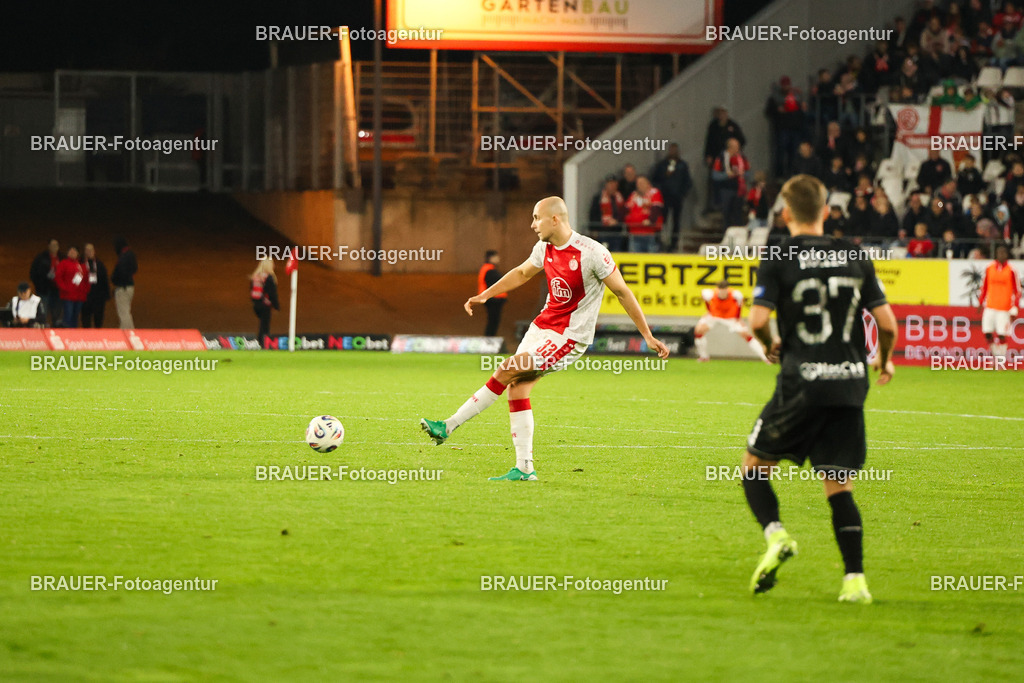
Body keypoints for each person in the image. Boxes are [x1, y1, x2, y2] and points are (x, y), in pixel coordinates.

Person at [418, 196, 669, 481]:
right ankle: (525, 468)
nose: (532, 224)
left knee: (508, 368)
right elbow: (523, 272)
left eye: (536, 217)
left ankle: (448, 426)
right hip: (541, 328)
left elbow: (623, 292)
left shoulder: (592, 252)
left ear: (555, 219)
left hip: (569, 337)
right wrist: (486, 295)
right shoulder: (544, 248)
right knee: (516, 388)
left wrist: (647, 335)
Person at [741, 173, 897, 604]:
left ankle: (777, 537)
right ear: (827, 211)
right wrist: (883, 359)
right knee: (838, 485)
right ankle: (855, 582)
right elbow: (886, 324)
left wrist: (772, 345)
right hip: (849, 385)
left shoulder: (779, 253)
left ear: (786, 214)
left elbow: (756, 321)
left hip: (801, 382)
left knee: (754, 466)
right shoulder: (855, 253)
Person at [693, 281, 769, 363]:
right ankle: (704, 356)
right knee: (698, 331)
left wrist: (738, 318)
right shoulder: (709, 294)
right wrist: (709, 311)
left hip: (730, 317)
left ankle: (765, 357)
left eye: (724, 291)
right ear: (718, 290)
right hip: (714, 315)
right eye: (721, 291)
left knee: (746, 335)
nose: (723, 293)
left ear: (727, 290)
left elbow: (740, 305)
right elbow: (706, 301)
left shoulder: (736, 294)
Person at [978, 243, 1021, 357]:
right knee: (987, 333)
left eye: (1003, 252)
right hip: (990, 306)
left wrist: (1015, 307)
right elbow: (984, 286)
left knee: (1002, 334)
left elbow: (1018, 290)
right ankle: (996, 354)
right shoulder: (989, 268)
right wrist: (980, 302)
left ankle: (1000, 360)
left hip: (1004, 308)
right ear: (996, 254)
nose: (1001, 255)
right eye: (999, 252)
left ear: (1007, 255)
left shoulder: (1011, 270)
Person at [650, 143, 692, 251]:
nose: (673, 152)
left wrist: (682, 193)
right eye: (671, 150)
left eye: (675, 150)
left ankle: (674, 243)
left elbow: (687, 181)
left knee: (676, 221)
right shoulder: (662, 165)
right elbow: (655, 180)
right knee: (662, 221)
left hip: (677, 198)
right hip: (664, 197)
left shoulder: (682, 165)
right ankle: (660, 241)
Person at [712, 138, 751, 227]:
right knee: (727, 216)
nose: (737, 149)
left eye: (738, 147)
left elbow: (748, 172)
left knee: (738, 215)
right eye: (735, 147)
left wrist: (742, 174)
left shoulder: (742, 157)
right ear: (730, 147)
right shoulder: (721, 158)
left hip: (739, 191)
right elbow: (715, 175)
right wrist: (728, 175)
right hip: (726, 190)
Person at [624, 176, 664, 253]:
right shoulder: (633, 195)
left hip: (650, 233)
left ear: (648, 184)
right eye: (638, 183)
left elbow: (656, 209)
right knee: (634, 260)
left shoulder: (654, 193)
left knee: (651, 260)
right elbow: (625, 211)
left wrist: (651, 220)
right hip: (634, 233)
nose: (639, 185)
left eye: (642, 183)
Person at [29, 238, 61, 327]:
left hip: (57, 290)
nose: (54, 247)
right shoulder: (41, 257)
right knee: (43, 311)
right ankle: (43, 329)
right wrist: (39, 285)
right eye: (52, 245)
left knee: (56, 312)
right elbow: (33, 273)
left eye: (56, 245)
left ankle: (55, 328)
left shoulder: (61, 258)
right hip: (44, 290)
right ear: (49, 246)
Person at [55, 246, 90, 328]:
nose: (73, 253)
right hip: (68, 296)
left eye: (75, 251)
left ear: (78, 254)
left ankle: (73, 335)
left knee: (75, 316)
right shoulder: (63, 263)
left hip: (80, 296)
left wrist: (85, 290)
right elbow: (58, 277)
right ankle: (66, 334)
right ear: (67, 253)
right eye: (71, 251)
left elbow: (87, 279)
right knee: (68, 315)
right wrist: (65, 288)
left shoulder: (82, 266)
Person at [588, 175, 625, 250]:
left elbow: (624, 212)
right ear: (606, 185)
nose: (612, 186)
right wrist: (594, 229)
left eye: (614, 184)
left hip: (617, 232)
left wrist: (617, 221)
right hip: (603, 231)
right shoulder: (599, 198)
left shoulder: (620, 198)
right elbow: (593, 214)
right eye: (610, 184)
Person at [80, 243, 110, 328]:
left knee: (99, 318)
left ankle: (98, 336)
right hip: (85, 296)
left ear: (94, 251)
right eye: (87, 250)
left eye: (91, 250)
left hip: (98, 297)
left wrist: (106, 295)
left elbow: (105, 280)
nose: (89, 252)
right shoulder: (80, 264)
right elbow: (76, 280)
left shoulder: (99, 264)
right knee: (86, 319)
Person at [111, 236, 138, 329]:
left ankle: (127, 334)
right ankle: (130, 332)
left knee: (124, 313)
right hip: (130, 287)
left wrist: (116, 280)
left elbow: (120, 272)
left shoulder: (123, 257)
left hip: (123, 287)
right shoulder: (131, 254)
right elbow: (135, 269)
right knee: (126, 311)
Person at [250, 258, 280, 340]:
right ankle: (263, 342)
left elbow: (252, 289)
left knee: (262, 324)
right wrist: (276, 306)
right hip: (265, 304)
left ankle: (261, 340)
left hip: (256, 304)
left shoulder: (255, 276)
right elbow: (272, 293)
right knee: (265, 326)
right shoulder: (269, 277)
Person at [478, 250, 506, 336]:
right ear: (491, 258)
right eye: (496, 257)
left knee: (492, 322)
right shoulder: (490, 270)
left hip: (492, 299)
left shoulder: (488, 269)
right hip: (493, 300)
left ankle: (489, 340)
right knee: (493, 322)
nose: (499, 259)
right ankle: (489, 341)